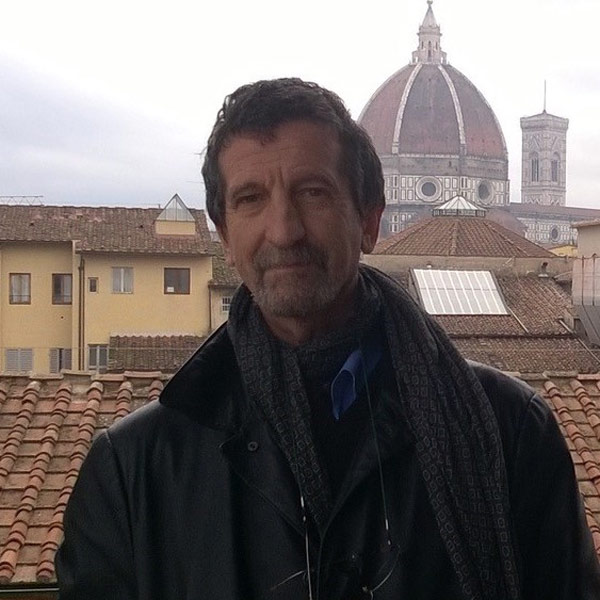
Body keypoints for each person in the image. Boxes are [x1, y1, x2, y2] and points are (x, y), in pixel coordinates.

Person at [55, 78, 600, 600]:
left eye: (312, 192)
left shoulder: (512, 433)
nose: (284, 230)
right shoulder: (131, 472)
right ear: (224, 237)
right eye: (250, 199)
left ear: (370, 220)